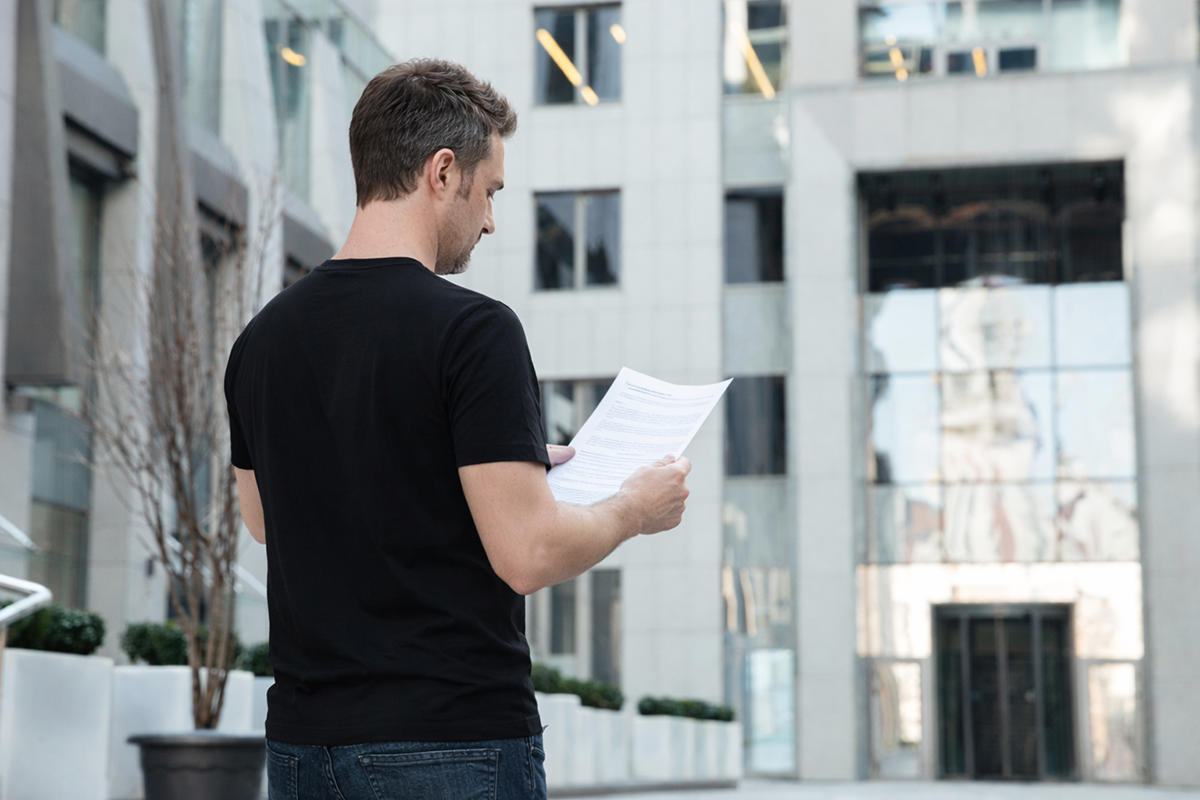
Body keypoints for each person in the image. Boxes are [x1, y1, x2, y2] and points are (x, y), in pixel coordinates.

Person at [223, 59, 691, 800]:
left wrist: (478, 459)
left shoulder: (260, 340)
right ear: (442, 172)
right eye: (491, 190)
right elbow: (529, 554)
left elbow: (263, 518)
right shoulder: (475, 330)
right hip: (451, 744)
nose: (491, 220)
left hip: (303, 750)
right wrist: (634, 507)